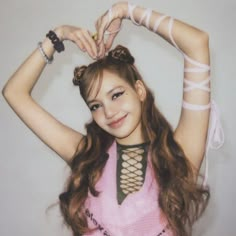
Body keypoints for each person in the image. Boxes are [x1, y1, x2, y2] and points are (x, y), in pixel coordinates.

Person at [2, 2, 224, 236]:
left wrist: (127, 11)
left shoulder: (179, 155)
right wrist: (59, 35)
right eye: (96, 105)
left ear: (139, 91)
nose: (109, 112)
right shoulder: (88, 155)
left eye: (116, 95)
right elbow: (14, 93)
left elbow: (197, 43)